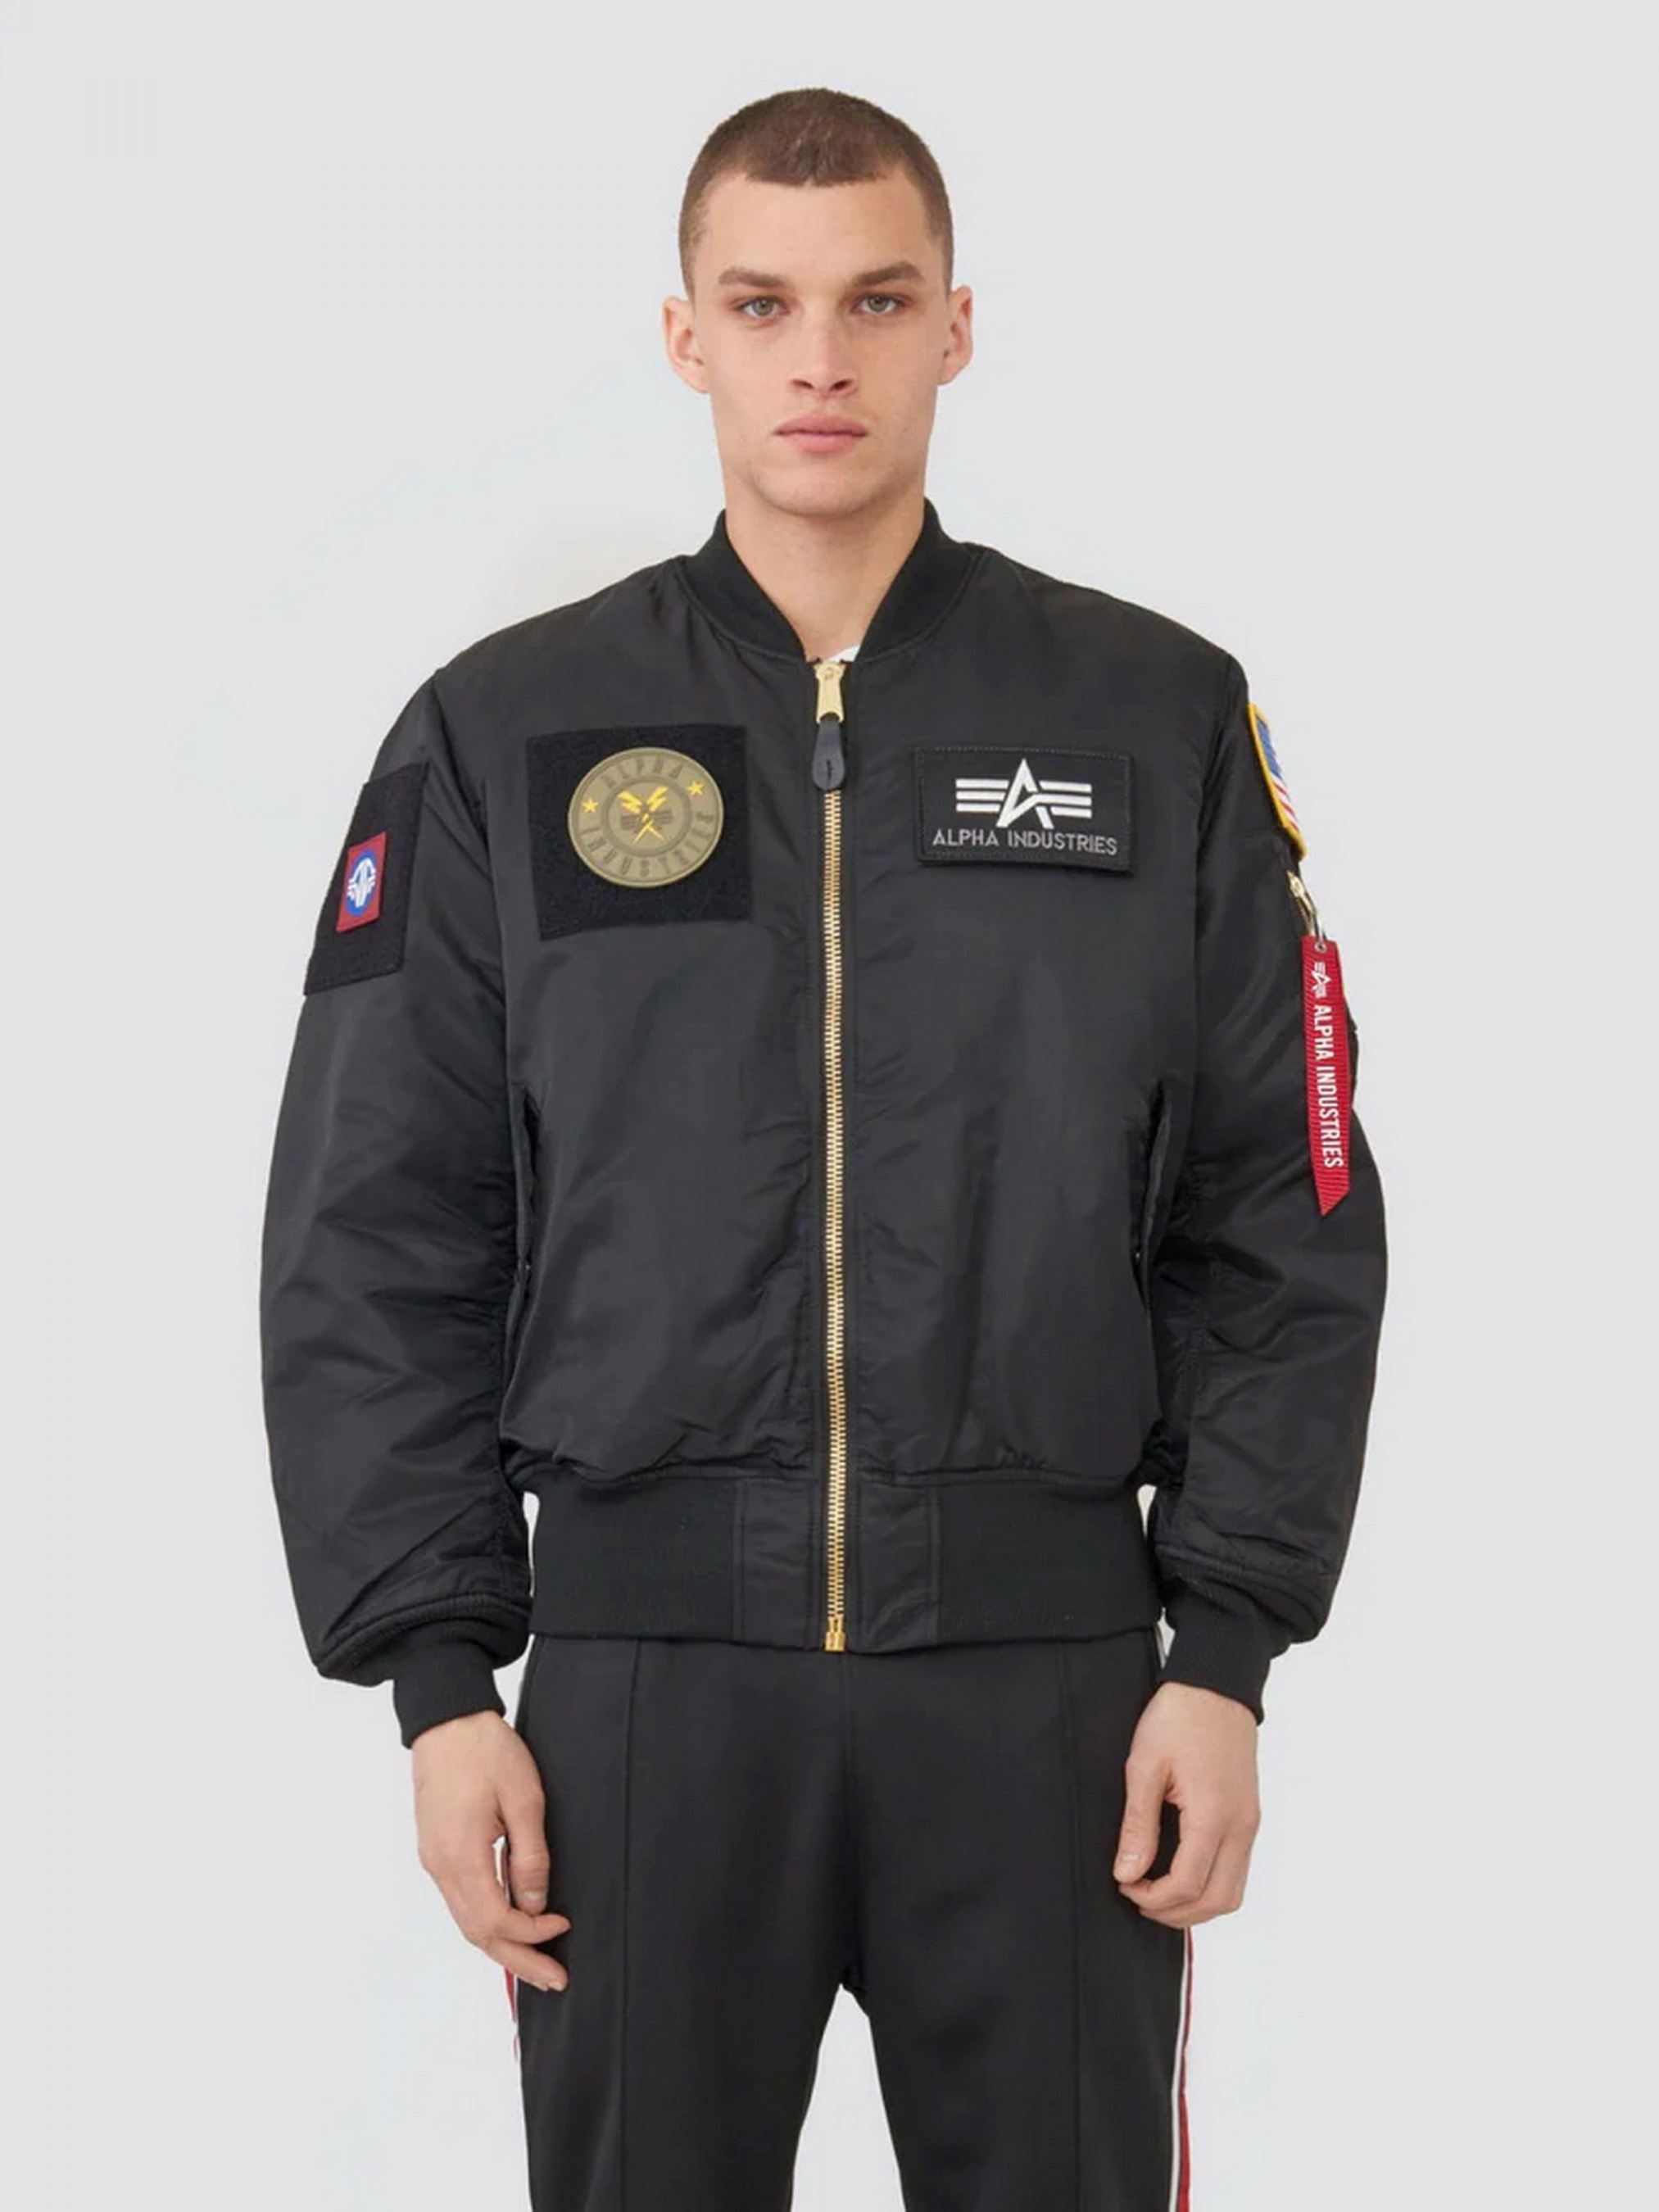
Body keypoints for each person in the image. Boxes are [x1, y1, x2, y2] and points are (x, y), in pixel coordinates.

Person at [259, 84, 1388, 2211]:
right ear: (682, 333)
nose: (819, 360)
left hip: (1054, 1698)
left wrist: (1225, 1653)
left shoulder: (1147, 716)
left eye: (875, 301)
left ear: (955, 324)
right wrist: (439, 1682)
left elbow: (1281, 1205)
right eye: (762, 304)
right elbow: (379, 1222)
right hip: (644, 1703)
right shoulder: (505, 734)